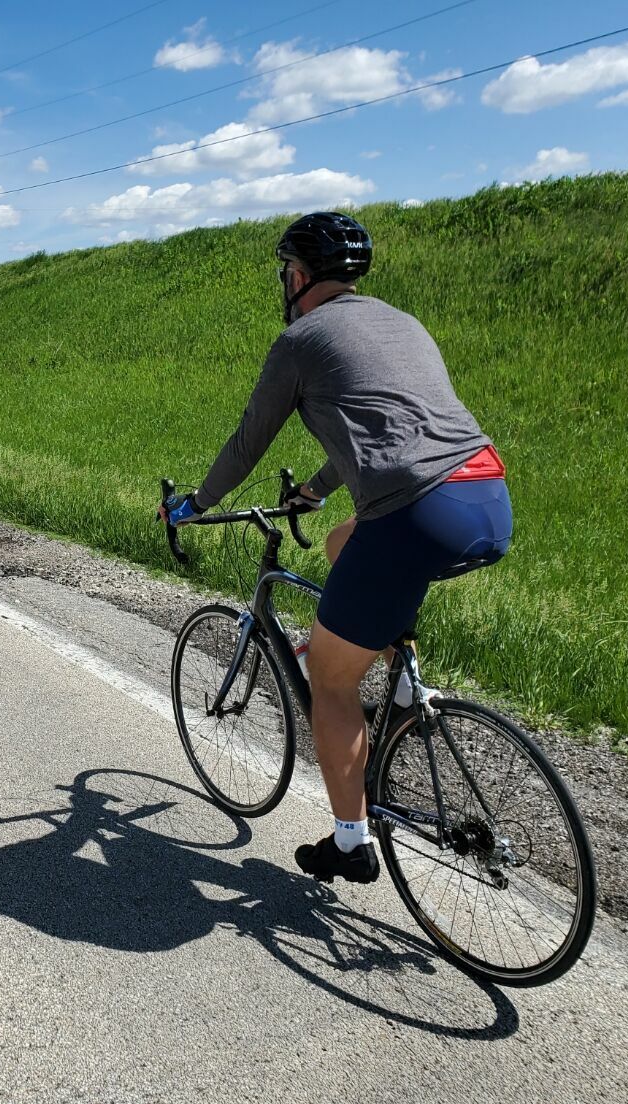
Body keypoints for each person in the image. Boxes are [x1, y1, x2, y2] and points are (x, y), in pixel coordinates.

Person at [161, 212, 511, 885]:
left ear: (297, 276)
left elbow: (247, 443)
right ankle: (399, 675)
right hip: (486, 496)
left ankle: (350, 842)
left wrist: (194, 505)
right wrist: (317, 490)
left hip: (414, 514)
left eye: (285, 273)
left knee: (328, 678)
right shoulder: (402, 323)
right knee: (340, 539)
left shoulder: (299, 341)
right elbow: (390, 431)